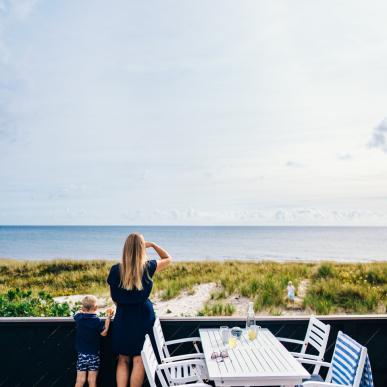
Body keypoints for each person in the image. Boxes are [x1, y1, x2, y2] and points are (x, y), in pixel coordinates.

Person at [107, 233, 172, 387]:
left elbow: (114, 298)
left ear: (126, 249)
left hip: (123, 316)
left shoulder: (116, 270)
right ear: (142, 248)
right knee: (139, 359)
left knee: (123, 358)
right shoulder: (148, 267)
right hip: (143, 316)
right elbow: (168, 259)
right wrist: (154, 245)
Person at [74, 295, 114, 387]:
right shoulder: (97, 321)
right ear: (96, 308)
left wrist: (82, 311)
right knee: (92, 380)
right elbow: (103, 333)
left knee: (80, 380)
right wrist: (108, 319)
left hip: (82, 355)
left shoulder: (79, 318)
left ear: (83, 308)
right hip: (93, 355)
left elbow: (76, 314)